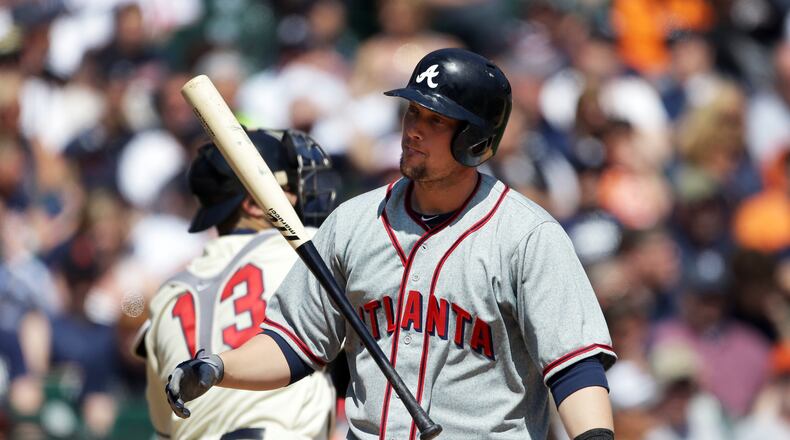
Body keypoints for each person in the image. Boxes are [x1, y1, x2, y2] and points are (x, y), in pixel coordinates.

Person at [165, 48, 617, 440]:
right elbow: (294, 344)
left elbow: (574, 367)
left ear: (475, 140)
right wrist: (218, 367)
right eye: (413, 113)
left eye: (435, 120)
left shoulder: (526, 236)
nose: (413, 129)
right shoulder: (353, 222)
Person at [138, 129, 338, 439]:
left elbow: (165, 425)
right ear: (255, 205)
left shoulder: (166, 296)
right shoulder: (307, 251)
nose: (299, 197)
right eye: (289, 188)